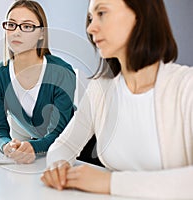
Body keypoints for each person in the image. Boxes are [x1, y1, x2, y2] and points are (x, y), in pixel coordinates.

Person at [41, 0, 193, 199]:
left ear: (140, 14)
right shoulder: (100, 90)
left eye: (102, 13)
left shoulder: (186, 87)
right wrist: (58, 166)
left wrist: (109, 182)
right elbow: (65, 145)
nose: (90, 27)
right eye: (90, 18)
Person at [0, 0, 76, 164]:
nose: (16, 32)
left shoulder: (62, 73)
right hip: (43, 154)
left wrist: (32, 147)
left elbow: (58, 133)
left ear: (42, 33)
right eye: (11, 25)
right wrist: (6, 146)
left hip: (80, 150)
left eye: (27, 26)